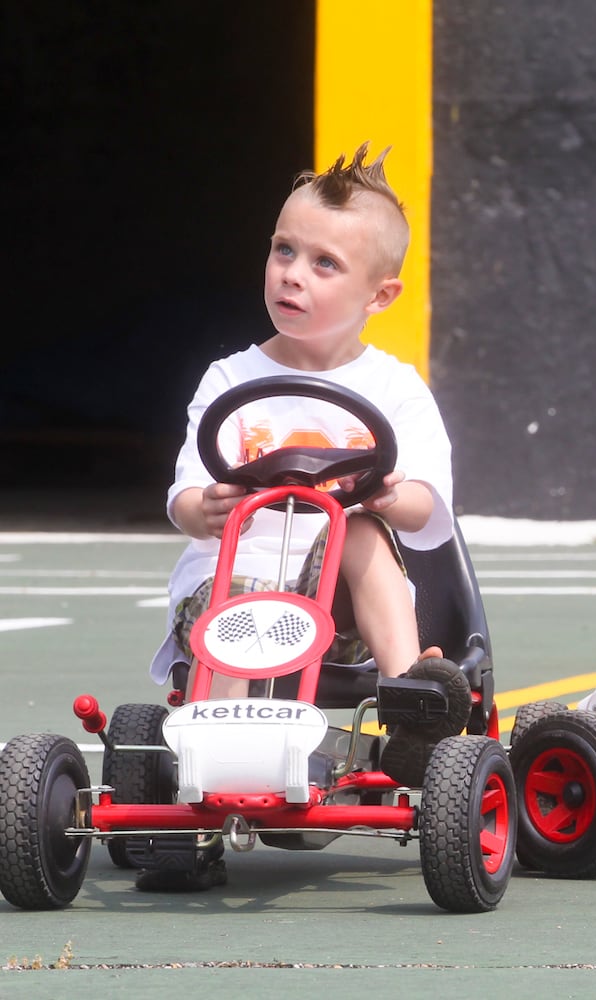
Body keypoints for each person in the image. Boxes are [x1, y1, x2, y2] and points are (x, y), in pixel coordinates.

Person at [149, 143, 469, 835]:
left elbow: (427, 514)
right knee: (233, 604)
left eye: (324, 264)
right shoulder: (230, 381)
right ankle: (218, 768)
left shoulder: (394, 389)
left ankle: (411, 699)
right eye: (284, 251)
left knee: (357, 527)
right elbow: (185, 493)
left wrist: (385, 493)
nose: (292, 275)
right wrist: (202, 508)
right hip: (230, 590)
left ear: (379, 294)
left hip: (339, 618)